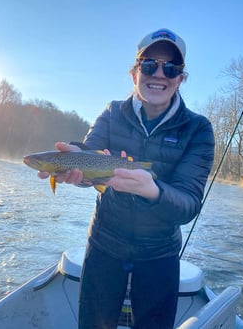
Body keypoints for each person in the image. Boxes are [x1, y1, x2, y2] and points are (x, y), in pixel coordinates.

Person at [39, 28, 215, 329]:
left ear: (180, 78)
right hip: (105, 243)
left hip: (161, 253)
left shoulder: (198, 130)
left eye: (170, 67)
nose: (159, 74)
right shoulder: (112, 113)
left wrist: (154, 192)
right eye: (149, 65)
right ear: (134, 73)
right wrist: (74, 163)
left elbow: (188, 204)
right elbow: (88, 156)